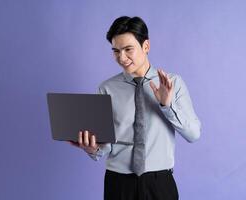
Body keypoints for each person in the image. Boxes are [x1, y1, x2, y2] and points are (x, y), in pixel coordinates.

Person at [69, 16, 201, 200]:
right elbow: (106, 145)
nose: (121, 58)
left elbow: (193, 134)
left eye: (128, 49)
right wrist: (92, 149)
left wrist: (166, 105)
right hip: (118, 183)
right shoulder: (106, 88)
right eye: (116, 51)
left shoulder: (173, 83)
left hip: (159, 183)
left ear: (146, 46)